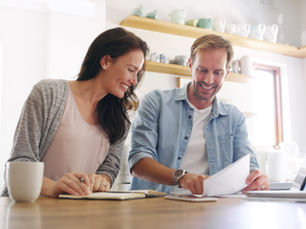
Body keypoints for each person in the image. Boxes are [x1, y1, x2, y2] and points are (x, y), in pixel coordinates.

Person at [2, 27, 148, 198]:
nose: (134, 81)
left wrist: (101, 180)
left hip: (79, 215)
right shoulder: (48, 93)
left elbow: (108, 170)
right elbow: (20, 162)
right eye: (131, 70)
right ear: (106, 61)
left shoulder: (120, 118)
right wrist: (54, 187)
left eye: (137, 73)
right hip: (32, 212)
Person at [128, 34, 269, 194]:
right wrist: (181, 177)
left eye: (218, 73)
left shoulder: (234, 117)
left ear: (227, 73)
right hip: (157, 207)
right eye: (202, 70)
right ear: (190, 65)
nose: (209, 80)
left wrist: (256, 177)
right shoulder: (156, 102)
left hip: (211, 210)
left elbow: (247, 163)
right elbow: (138, 162)